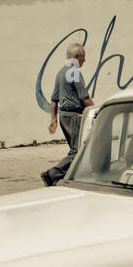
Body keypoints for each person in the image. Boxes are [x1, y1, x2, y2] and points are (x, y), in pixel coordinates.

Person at [42, 43, 91, 186]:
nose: (84, 61)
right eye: (83, 57)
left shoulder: (61, 72)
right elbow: (85, 98)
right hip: (74, 116)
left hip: (64, 116)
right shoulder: (74, 72)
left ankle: (72, 176)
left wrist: (54, 120)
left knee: (76, 150)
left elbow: (53, 100)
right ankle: (52, 174)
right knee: (78, 152)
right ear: (77, 57)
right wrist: (98, 112)